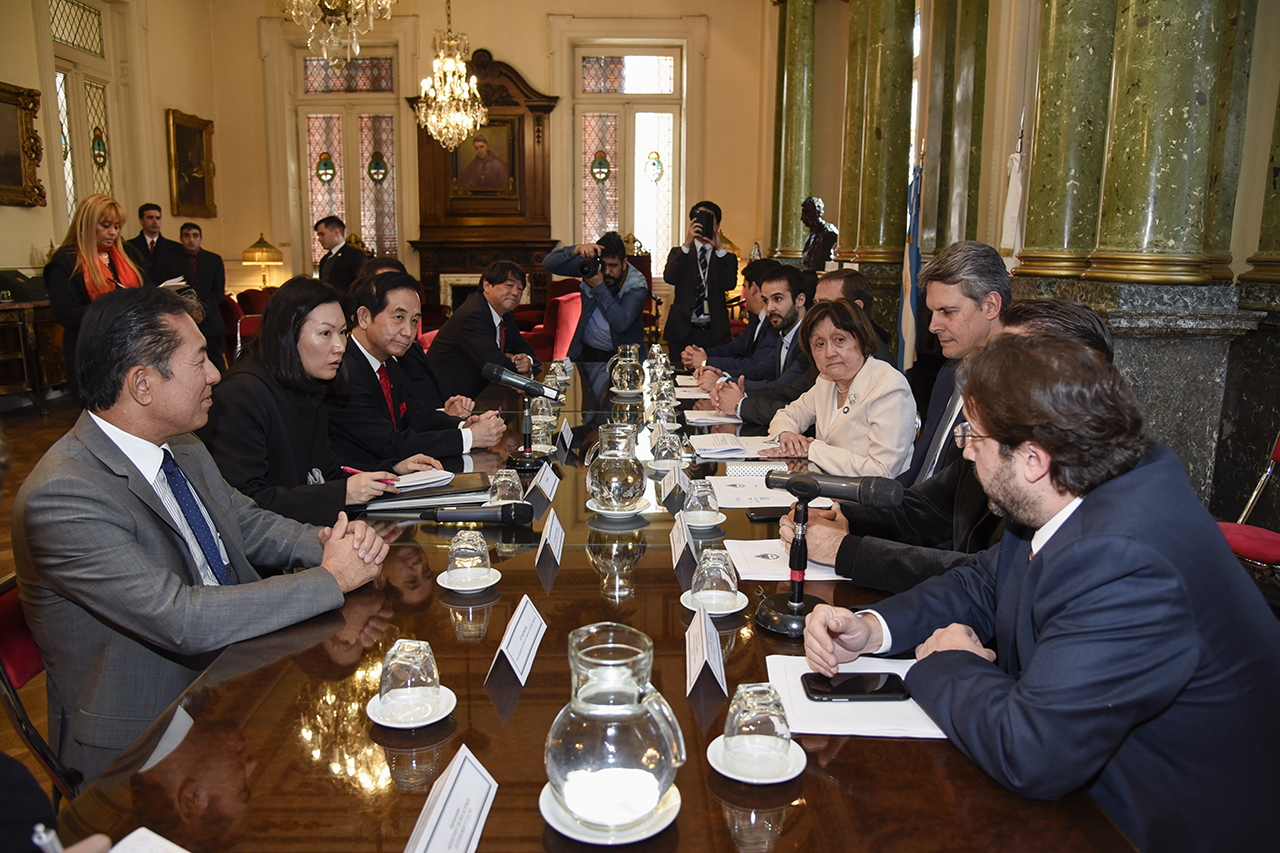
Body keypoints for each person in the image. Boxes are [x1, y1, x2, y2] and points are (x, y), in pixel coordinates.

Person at [803, 333, 1280, 853]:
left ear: (1031, 459)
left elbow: (1031, 752)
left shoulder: (1127, 560)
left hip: (1145, 822)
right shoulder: (1075, 487)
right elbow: (983, 582)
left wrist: (951, 661)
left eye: (974, 438)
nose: (966, 453)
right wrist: (872, 628)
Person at [13, 286, 389, 787]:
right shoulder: (64, 495)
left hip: (233, 668)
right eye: (199, 361)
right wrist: (330, 578)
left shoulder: (181, 443)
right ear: (142, 384)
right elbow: (181, 618)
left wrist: (330, 540)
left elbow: (246, 520)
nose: (216, 373)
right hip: (152, 729)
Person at [783, 299, 1115, 593]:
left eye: (1010, 365)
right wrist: (844, 518)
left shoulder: (1101, 511)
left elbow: (987, 577)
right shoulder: (995, 435)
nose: (993, 376)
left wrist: (845, 549)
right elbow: (925, 507)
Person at [198, 277, 442, 526]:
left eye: (342, 333)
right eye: (325, 333)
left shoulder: (309, 384)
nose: (339, 346)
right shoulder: (240, 396)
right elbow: (244, 507)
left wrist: (393, 469)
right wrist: (343, 492)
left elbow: (327, 470)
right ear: (287, 334)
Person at [329, 272, 507, 469]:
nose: (408, 332)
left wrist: (462, 425)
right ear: (364, 317)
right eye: (399, 317)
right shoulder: (341, 370)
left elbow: (417, 414)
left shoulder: (389, 361)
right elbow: (389, 443)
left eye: (414, 320)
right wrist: (469, 438)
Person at [711, 269, 891, 425]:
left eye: (826, 304)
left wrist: (740, 403)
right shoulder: (823, 356)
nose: (817, 313)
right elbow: (795, 401)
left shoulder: (878, 366)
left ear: (856, 308)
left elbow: (819, 424)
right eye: (817, 303)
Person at [759, 299, 915, 477]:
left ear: (862, 341)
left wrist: (813, 449)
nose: (829, 353)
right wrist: (787, 436)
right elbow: (788, 414)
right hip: (826, 487)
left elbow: (882, 471)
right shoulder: (826, 381)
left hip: (869, 500)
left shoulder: (889, 388)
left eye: (839, 340)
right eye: (820, 344)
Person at [900, 240, 1009, 485]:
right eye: (932, 313)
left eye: (947, 312)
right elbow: (920, 473)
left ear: (990, 305)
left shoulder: (1011, 390)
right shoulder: (949, 373)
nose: (932, 326)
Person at [45, 193, 152, 396]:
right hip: (90, 349)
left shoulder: (130, 253)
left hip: (132, 346)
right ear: (86, 223)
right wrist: (113, 306)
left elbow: (147, 288)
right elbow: (65, 313)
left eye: (117, 227)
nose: (113, 233)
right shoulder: (66, 260)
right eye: (105, 226)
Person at [426, 261, 540, 400]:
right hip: (448, 399)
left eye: (520, 289)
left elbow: (525, 349)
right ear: (487, 285)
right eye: (509, 285)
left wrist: (527, 361)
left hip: (481, 392)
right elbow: (494, 365)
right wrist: (515, 362)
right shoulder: (473, 314)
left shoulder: (505, 314)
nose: (515, 293)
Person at [698, 265, 809, 392]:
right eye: (766, 301)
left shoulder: (809, 340)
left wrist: (721, 382)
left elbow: (781, 388)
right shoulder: (785, 332)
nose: (769, 308)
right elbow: (762, 370)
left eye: (777, 299)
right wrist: (724, 375)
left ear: (800, 300)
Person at [543, 231, 648, 360]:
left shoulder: (636, 283)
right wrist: (576, 249)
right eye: (604, 265)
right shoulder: (592, 269)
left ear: (624, 263)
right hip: (587, 352)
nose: (607, 272)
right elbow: (548, 263)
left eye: (613, 265)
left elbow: (621, 324)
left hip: (623, 357)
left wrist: (599, 287)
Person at [663, 200, 737, 360]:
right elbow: (670, 277)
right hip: (683, 331)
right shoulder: (679, 253)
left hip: (715, 332)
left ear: (717, 225)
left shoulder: (726, 256)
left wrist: (719, 248)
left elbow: (729, 283)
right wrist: (687, 243)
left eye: (709, 221)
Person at [681, 258, 782, 372]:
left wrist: (705, 362)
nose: (744, 296)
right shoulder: (757, 318)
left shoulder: (775, 322)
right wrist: (699, 354)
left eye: (744, 286)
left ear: (753, 288)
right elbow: (734, 349)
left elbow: (755, 364)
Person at [167, 222, 226, 369]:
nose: (191, 240)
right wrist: (188, 311)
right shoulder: (171, 260)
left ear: (201, 238)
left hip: (210, 318)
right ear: (181, 238)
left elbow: (218, 291)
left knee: (216, 360)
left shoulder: (214, 260)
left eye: (195, 235)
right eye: (187, 235)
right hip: (182, 317)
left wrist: (201, 311)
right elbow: (169, 290)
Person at [125, 202, 182, 274]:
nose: (155, 222)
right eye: (150, 217)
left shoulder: (175, 248)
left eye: (158, 218)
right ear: (141, 221)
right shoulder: (129, 247)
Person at [314, 216, 365, 295]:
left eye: (322, 234)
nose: (319, 239)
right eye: (318, 235)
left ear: (336, 232)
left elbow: (361, 284)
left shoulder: (354, 255)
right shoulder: (325, 259)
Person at [800, 196, 838, 274]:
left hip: (819, 273)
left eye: (804, 214)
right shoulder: (812, 233)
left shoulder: (829, 231)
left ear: (813, 214)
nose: (802, 218)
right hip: (808, 273)